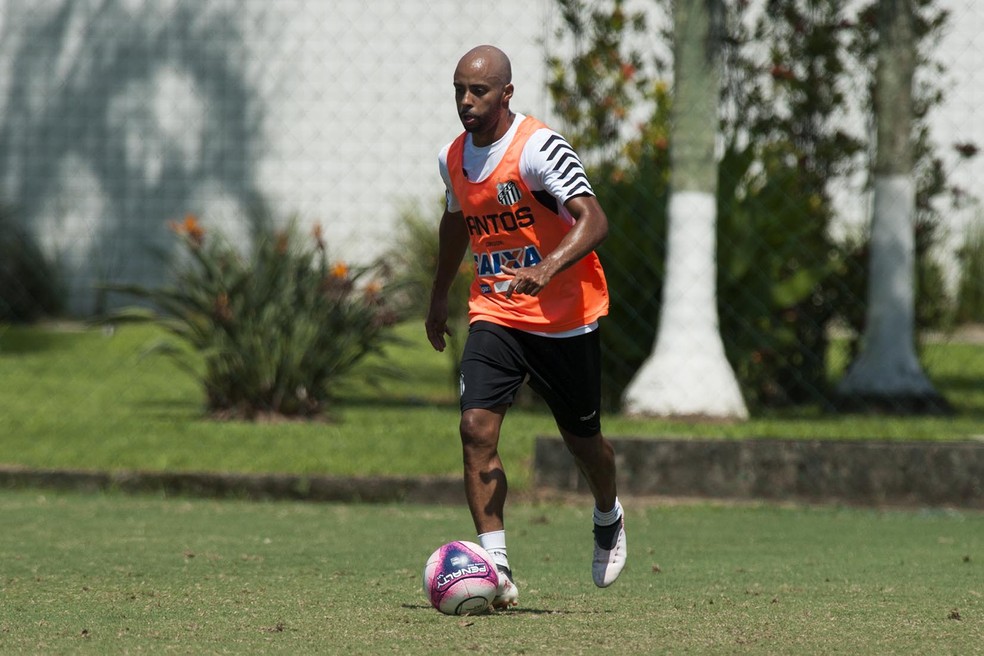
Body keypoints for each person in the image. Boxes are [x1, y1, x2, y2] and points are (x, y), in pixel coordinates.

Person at [425, 44, 626, 609]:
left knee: (584, 444)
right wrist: (439, 295)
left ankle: (607, 513)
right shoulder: (453, 158)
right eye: (460, 90)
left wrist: (546, 267)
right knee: (474, 429)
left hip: (565, 319)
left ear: (506, 93)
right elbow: (455, 222)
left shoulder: (538, 148)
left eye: (479, 91)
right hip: (495, 311)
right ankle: (497, 565)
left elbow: (595, 220)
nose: (466, 101)